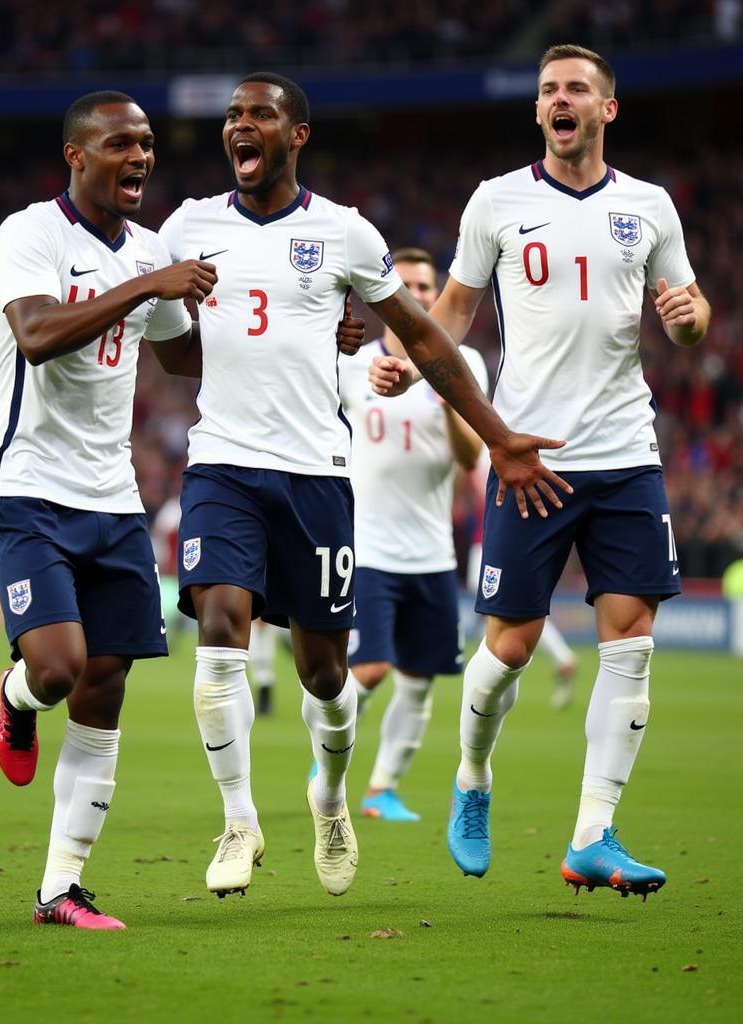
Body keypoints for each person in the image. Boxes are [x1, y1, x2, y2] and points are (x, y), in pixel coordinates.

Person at [156, 71, 569, 900]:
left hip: (315, 478)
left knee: (324, 676)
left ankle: (331, 797)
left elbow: (422, 337)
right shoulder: (186, 227)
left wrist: (499, 439)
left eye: (260, 114)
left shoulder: (344, 234)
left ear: (297, 134)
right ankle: (238, 820)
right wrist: (188, 315)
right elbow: (173, 353)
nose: (241, 125)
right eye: (233, 115)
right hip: (223, 466)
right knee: (220, 629)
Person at [0, 89, 366, 929]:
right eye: (122, 144)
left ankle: (60, 889)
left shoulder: (151, 248)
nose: (142, 158)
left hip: (114, 498)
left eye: (149, 144)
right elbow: (40, 337)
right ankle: (13, 701)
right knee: (54, 670)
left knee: (103, 688)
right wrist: (149, 281)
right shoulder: (30, 234)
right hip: (30, 489)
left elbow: (188, 353)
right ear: (77, 155)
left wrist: (309, 336)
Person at [370, 44, 710, 899]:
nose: (562, 100)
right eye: (550, 90)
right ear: (538, 112)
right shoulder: (497, 201)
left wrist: (690, 315)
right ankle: (472, 776)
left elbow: (691, 316)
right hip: (528, 457)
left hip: (626, 454)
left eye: (578, 90)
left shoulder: (650, 207)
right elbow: (452, 309)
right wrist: (410, 363)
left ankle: (594, 833)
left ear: (607, 110)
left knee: (630, 640)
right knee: (512, 646)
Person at [336, 247, 487, 822]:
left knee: (420, 679)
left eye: (428, 287)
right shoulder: (353, 365)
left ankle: (381, 789)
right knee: (370, 668)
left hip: (430, 550)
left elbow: (469, 452)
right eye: (408, 286)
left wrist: (447, 390)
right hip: (367, 544)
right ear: (385, 295)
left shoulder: (464, 359)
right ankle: (328, 753)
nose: (420, 296)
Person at [465, 447, 579, 711]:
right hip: (499, 536)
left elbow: (473, 494)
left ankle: (561, 657)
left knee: (501, 607)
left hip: (490, 540)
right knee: (498, 609)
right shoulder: (508, 447)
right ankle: (557, 657)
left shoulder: (489, 452)